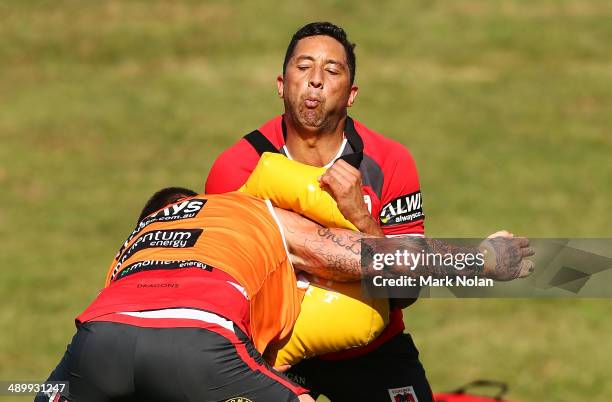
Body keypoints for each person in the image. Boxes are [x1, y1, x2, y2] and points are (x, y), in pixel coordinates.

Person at [37, 187, 534, 402]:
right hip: (198, 341)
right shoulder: (246, 210)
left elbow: (135, 340)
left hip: (93, 347)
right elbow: (351, 257)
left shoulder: (132, 244)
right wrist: (480, 259)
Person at [205, 21, 433, 401]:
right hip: (273, 351)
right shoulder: (236, 168)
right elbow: (227, 285)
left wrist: (361, 218)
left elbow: (407, 289)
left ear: (351, 94)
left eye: (332, 71)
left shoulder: (390, 161)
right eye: (303, 67)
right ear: (281, 84)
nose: (315, 81)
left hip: (372, 350)